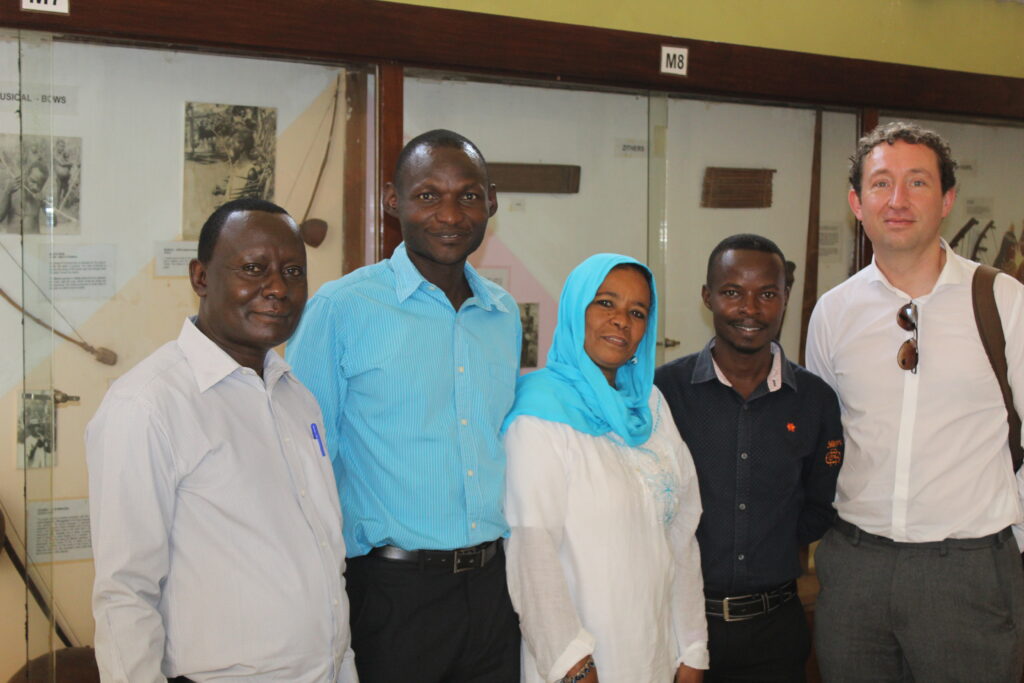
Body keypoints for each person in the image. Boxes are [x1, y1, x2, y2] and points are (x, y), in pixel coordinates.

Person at [87, 198, 357, 682]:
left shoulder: (296, 397)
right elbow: (125, 594)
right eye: (253, 269)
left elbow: (324, 558)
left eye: (293, 271)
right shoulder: (147, 406)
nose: (277, 288)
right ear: (200, 277)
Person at [287, 129, 522, 682]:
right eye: (427, 195)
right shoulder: (340, 309)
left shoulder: (503, 314)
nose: (450, 214)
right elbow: (301, 465)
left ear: (491, 202)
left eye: (467, 195)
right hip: (392, 594)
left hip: (494, 587)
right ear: (393, 203)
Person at [806, 121, 1024, 682]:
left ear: (947, 199)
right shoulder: (833, 312)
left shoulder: (1003, 301)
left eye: (918, 183)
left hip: (969, 572)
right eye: (881, 184)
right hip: (854, 569)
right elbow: (824, 438)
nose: (897, 200)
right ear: (857, 201)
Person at [504, 253, 708, 683]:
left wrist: (692, 648)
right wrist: (572, 664)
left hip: (655, 650)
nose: (621, 321)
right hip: (582, 659)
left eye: (637, 312)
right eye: (605, 303)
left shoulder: (651, 406)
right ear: (577, 310)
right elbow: (531, 549)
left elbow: (682, 534)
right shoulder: (538, 412)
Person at [655, 234, 843, 682]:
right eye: (733, 292)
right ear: (708, 297)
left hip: (775, 629)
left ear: (785, 298)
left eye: (767, 294)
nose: (751, 309)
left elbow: (819, 506)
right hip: (677, 626)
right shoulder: (664, 393)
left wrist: (770, 542)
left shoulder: (815, 400)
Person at [0, 161, 49, 233]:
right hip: (13, 240)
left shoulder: (40, 197)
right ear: (26, 175)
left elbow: (53, 222)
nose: (35, 187)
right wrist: (7, 193)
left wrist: (45, 205)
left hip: (34, 241)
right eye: (33, 181)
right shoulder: (12, 191)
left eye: (39, 185)